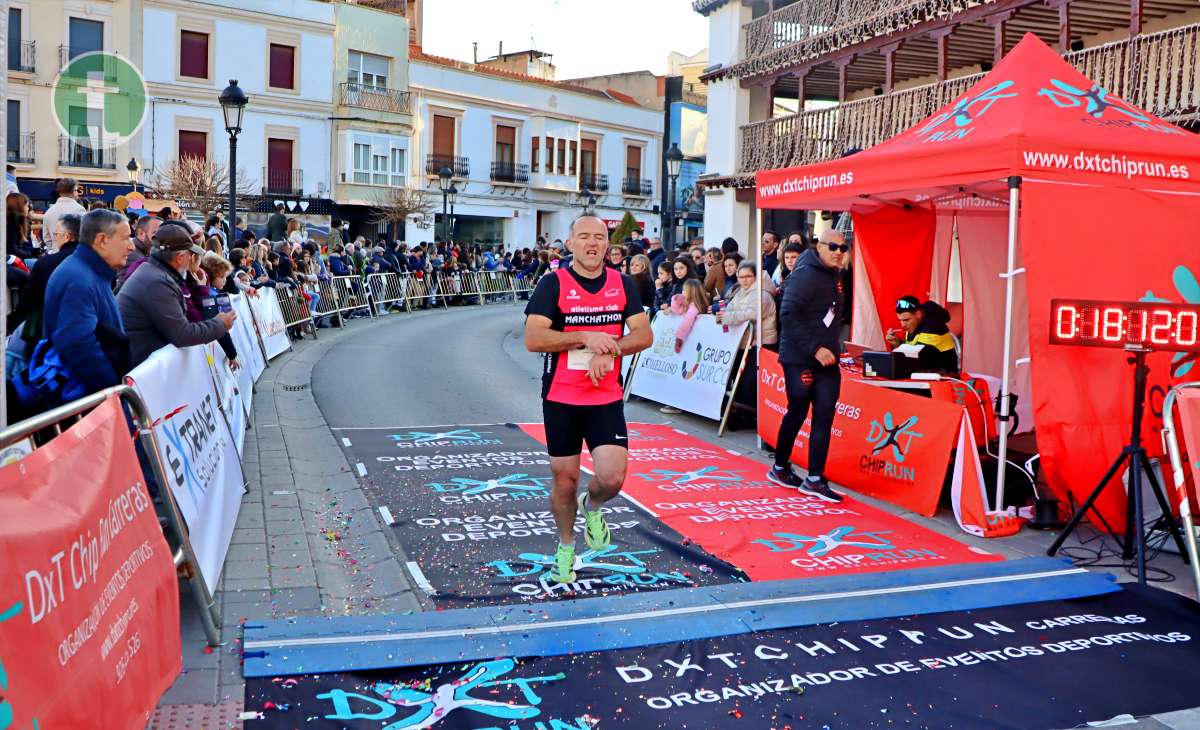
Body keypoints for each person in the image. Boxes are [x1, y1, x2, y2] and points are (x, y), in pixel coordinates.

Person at [523, 215, 653, 584]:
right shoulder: (553, 284)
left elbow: (643, 335)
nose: (592, 243)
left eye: (599, 237)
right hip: (562, 397)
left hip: (605, 396)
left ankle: (592, 506)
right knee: (565, 480)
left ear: (608, 245)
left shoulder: (622, 283)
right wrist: (583, 337)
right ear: (571, 244)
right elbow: (534, 339)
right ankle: (566, 547)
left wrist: (609, 351)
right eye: (584, 237)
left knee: (612, 478)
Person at [769, 229, 850, 502]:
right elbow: (788, 315)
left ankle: (815, 478)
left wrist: (830, 347)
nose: (839, 252)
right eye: (833, 247)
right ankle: (780, 466)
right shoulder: (804, 274)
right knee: (799, 410)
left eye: (843, 247)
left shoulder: (835, 275)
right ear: (819, 247)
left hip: (827, 359)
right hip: (800, 357)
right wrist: (815, 348)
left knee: (825, 413)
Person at [40, 209, 133, 398]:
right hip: (84, 402)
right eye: (125, 238)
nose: (131, 246)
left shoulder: (90, 272)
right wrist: (112, 388)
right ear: (102, 240)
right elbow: (77, 343)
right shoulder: (79, 279)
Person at [117, 223, 236, 368]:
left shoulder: (155, 272)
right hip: (138, 367)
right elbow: (182, 334)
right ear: (180, 258)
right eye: (190, 255)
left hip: (140, 363)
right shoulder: (157, 282)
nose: (192, 259)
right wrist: (220, 324)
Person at [886, 296, 959, 373]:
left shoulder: (932, 326)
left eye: (906, 320)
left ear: (918, 314)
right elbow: (911, 351)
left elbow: (915, 361)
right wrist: (897, 344)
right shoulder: (915, 324)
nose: (902, 325)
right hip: (925, 374)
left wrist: (898, 348)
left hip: (944, 377)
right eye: (900, 320)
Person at [117, 215, 163, 290]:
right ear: (141, 234)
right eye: (156, 233)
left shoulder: (145, 252)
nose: (162, 239)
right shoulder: (133, 257)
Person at [41, 178, 86, 246]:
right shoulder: (79, 210)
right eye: (77, 190)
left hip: (55, 253)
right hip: (73, 252)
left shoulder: (49, 212)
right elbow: (85, 234)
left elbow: (46, 238)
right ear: (73, 191)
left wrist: (54, 249)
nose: (77, 193)